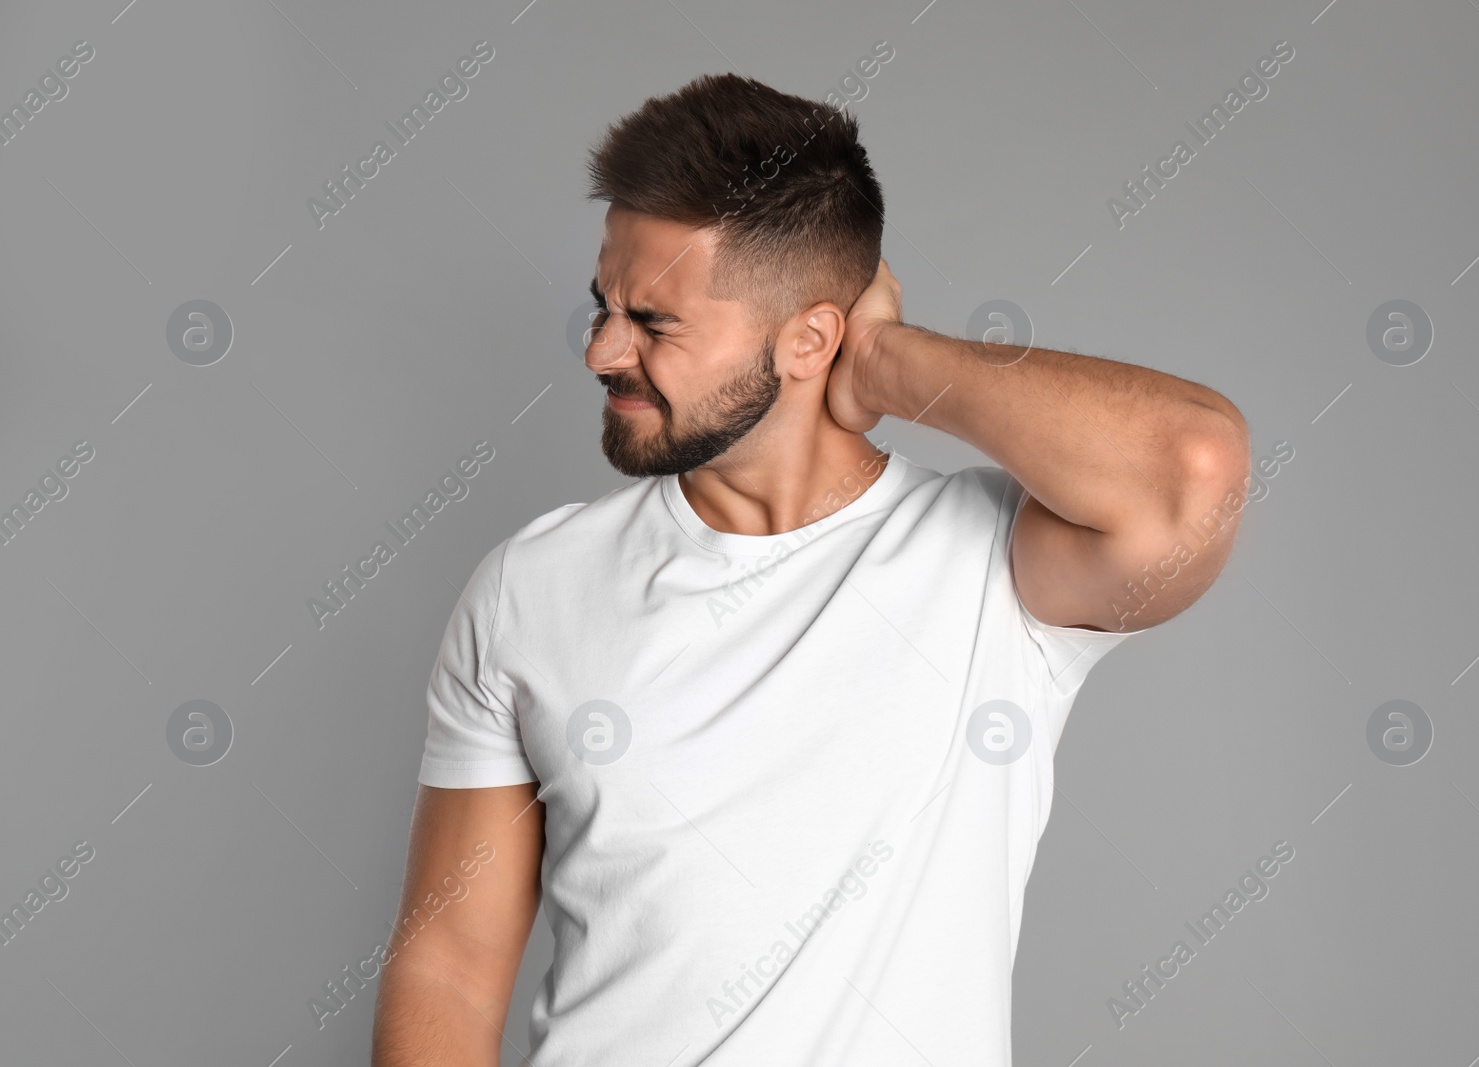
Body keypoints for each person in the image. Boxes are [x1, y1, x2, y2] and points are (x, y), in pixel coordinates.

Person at [372, 72, 1250, 1066]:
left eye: (653, 323)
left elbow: (1193, 471)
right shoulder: (531, 586)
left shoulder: (996, 573)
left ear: (807, 339)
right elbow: (443, 961)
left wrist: (886, 361)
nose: (601, 350)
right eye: (602, 306)